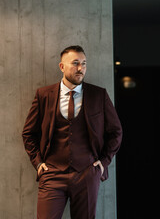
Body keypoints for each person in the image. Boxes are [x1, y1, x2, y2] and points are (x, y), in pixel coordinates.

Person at [22, 45, 122, 219]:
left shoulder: (98, 95)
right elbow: (28, 133)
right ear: (62, 66)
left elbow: (116, 132)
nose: (80, 68)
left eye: (84, 63)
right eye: (75, 63)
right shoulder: (44, 95)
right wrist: (38, 163)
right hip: (52, 173)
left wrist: (104, 162)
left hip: (87, 173)